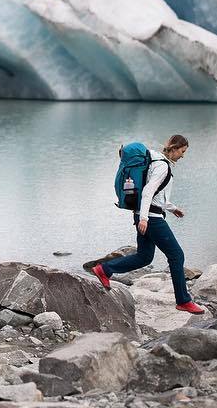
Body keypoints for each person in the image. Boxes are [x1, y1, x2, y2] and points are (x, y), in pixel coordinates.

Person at [91, 134, 205, 314]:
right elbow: (147, 192)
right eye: (182, 151)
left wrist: (172, 208)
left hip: (143, 214)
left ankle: (104, 269)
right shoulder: (162, 166)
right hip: (151, 218)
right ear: (174, 148)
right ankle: (183, 301)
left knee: (144, 257)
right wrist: (144, 218)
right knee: (176, 255)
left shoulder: (155, 159)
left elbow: (158, 196)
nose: (183, 156)